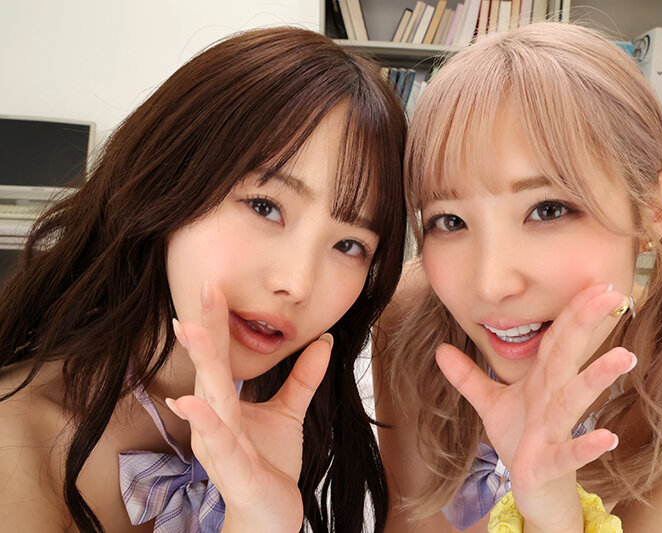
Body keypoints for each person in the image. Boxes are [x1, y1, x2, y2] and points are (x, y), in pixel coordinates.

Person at [374, 22, 662, 533]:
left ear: (652, 210)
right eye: (450, 221)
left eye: (548, 210)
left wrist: (554, 515)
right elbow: (408, 522)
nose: (491, 284)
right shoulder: (411, 318)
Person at [0, 26, 407, 533]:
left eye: (349, 246)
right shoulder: (17, 444)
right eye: (265, 206)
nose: (297, 284)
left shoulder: (306, 417)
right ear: (168, 181)